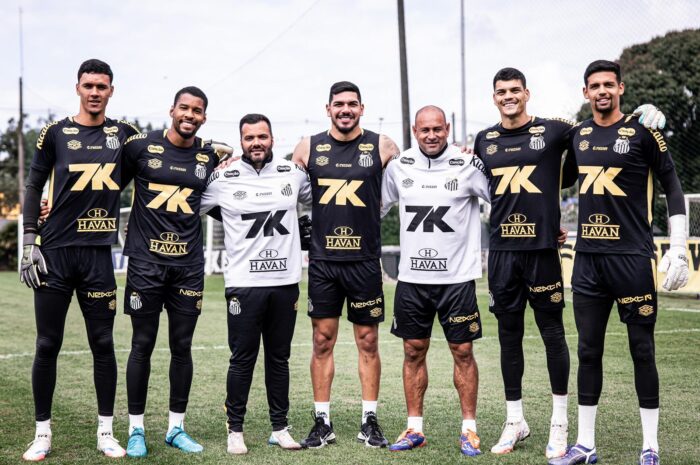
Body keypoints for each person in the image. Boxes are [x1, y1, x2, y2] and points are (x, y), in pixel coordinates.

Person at [473, 67, 666, 460]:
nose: (509, 97)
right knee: (508, 337)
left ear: (527, 93)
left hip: (544, 250)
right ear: (494, 98)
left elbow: (601, 127)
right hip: (502, 252)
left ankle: (559, 424)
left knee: (553, 335)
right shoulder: (483, 140)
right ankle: (515, 420)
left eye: (515, 90)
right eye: (501, 92)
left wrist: (642, 113)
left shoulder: (556, 129)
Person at [549, 60, 688, 465]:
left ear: (621, 88)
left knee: (642, 350)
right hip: (588, 262)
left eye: (609, 84)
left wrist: (678, 246)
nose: (602, 91)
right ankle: (585, 445)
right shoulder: (579, 135)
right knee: (588, 351)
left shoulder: (645, 131)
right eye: (595, 86)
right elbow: (554, 174)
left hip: (632, 259)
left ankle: (650, 447)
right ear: (585, 93)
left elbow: (673, 187)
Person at [19, 59, 139, 461]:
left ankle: (106, 432)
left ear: (111, 91)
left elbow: (162, 156)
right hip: (54, 253)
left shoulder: (124, 135)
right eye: (88, 85)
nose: (95, 92)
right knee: (47, 343)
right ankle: (42, 433)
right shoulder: (55, 133)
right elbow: (34, 184)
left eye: (102, 86)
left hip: (98, 256)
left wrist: (207, 155)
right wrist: (29, 240)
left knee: (103, 343)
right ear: (77, 88)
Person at [291, 81, 399, 448]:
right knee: (322, 341)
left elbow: (409, 179)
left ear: (362, 108)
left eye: (352, 104)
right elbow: (284, 187)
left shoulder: (382, 146)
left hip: (364, 261)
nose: (345, 110)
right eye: (339, 104)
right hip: (324, 262)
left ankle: (369, 420)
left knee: (368, 340)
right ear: (328, 109)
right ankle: (322, 421)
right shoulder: (307, 147)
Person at [381, 105, 489, 456]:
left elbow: (502, 199)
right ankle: (414, 428)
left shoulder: (468, 164)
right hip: (412, 280)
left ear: (447, 129)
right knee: (413, 351)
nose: (431, 135)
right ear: (415, 131)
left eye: (437, 129)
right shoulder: (399, 166)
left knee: (463, 351)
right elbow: (374, 208)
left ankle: (469, 430)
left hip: (457, 280)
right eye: (424, 130)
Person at [200, 113, 311, 454]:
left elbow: (325, 199)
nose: (256, 143)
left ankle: (280, 427)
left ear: (272, 139)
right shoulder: (224, 178)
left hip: (285, 282)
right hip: (244, 284)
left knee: (279, 358)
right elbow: (187, 207)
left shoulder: (293, 173)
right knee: (242, 359)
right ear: (241, 142)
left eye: (262, 136)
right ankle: (235, 429)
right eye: (249, 138)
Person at [120, 86, 219, 457]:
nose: (190, 115)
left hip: (188, 266)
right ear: (172, 110)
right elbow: (107, 185)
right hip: (146, 265)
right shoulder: (140, 147)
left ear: (204, 117)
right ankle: (136, 430)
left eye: (197, 110)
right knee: (142, 344)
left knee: (182, 346)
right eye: (184, 108)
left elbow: (222, 197)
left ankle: (176, 428)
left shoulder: (209, 156)